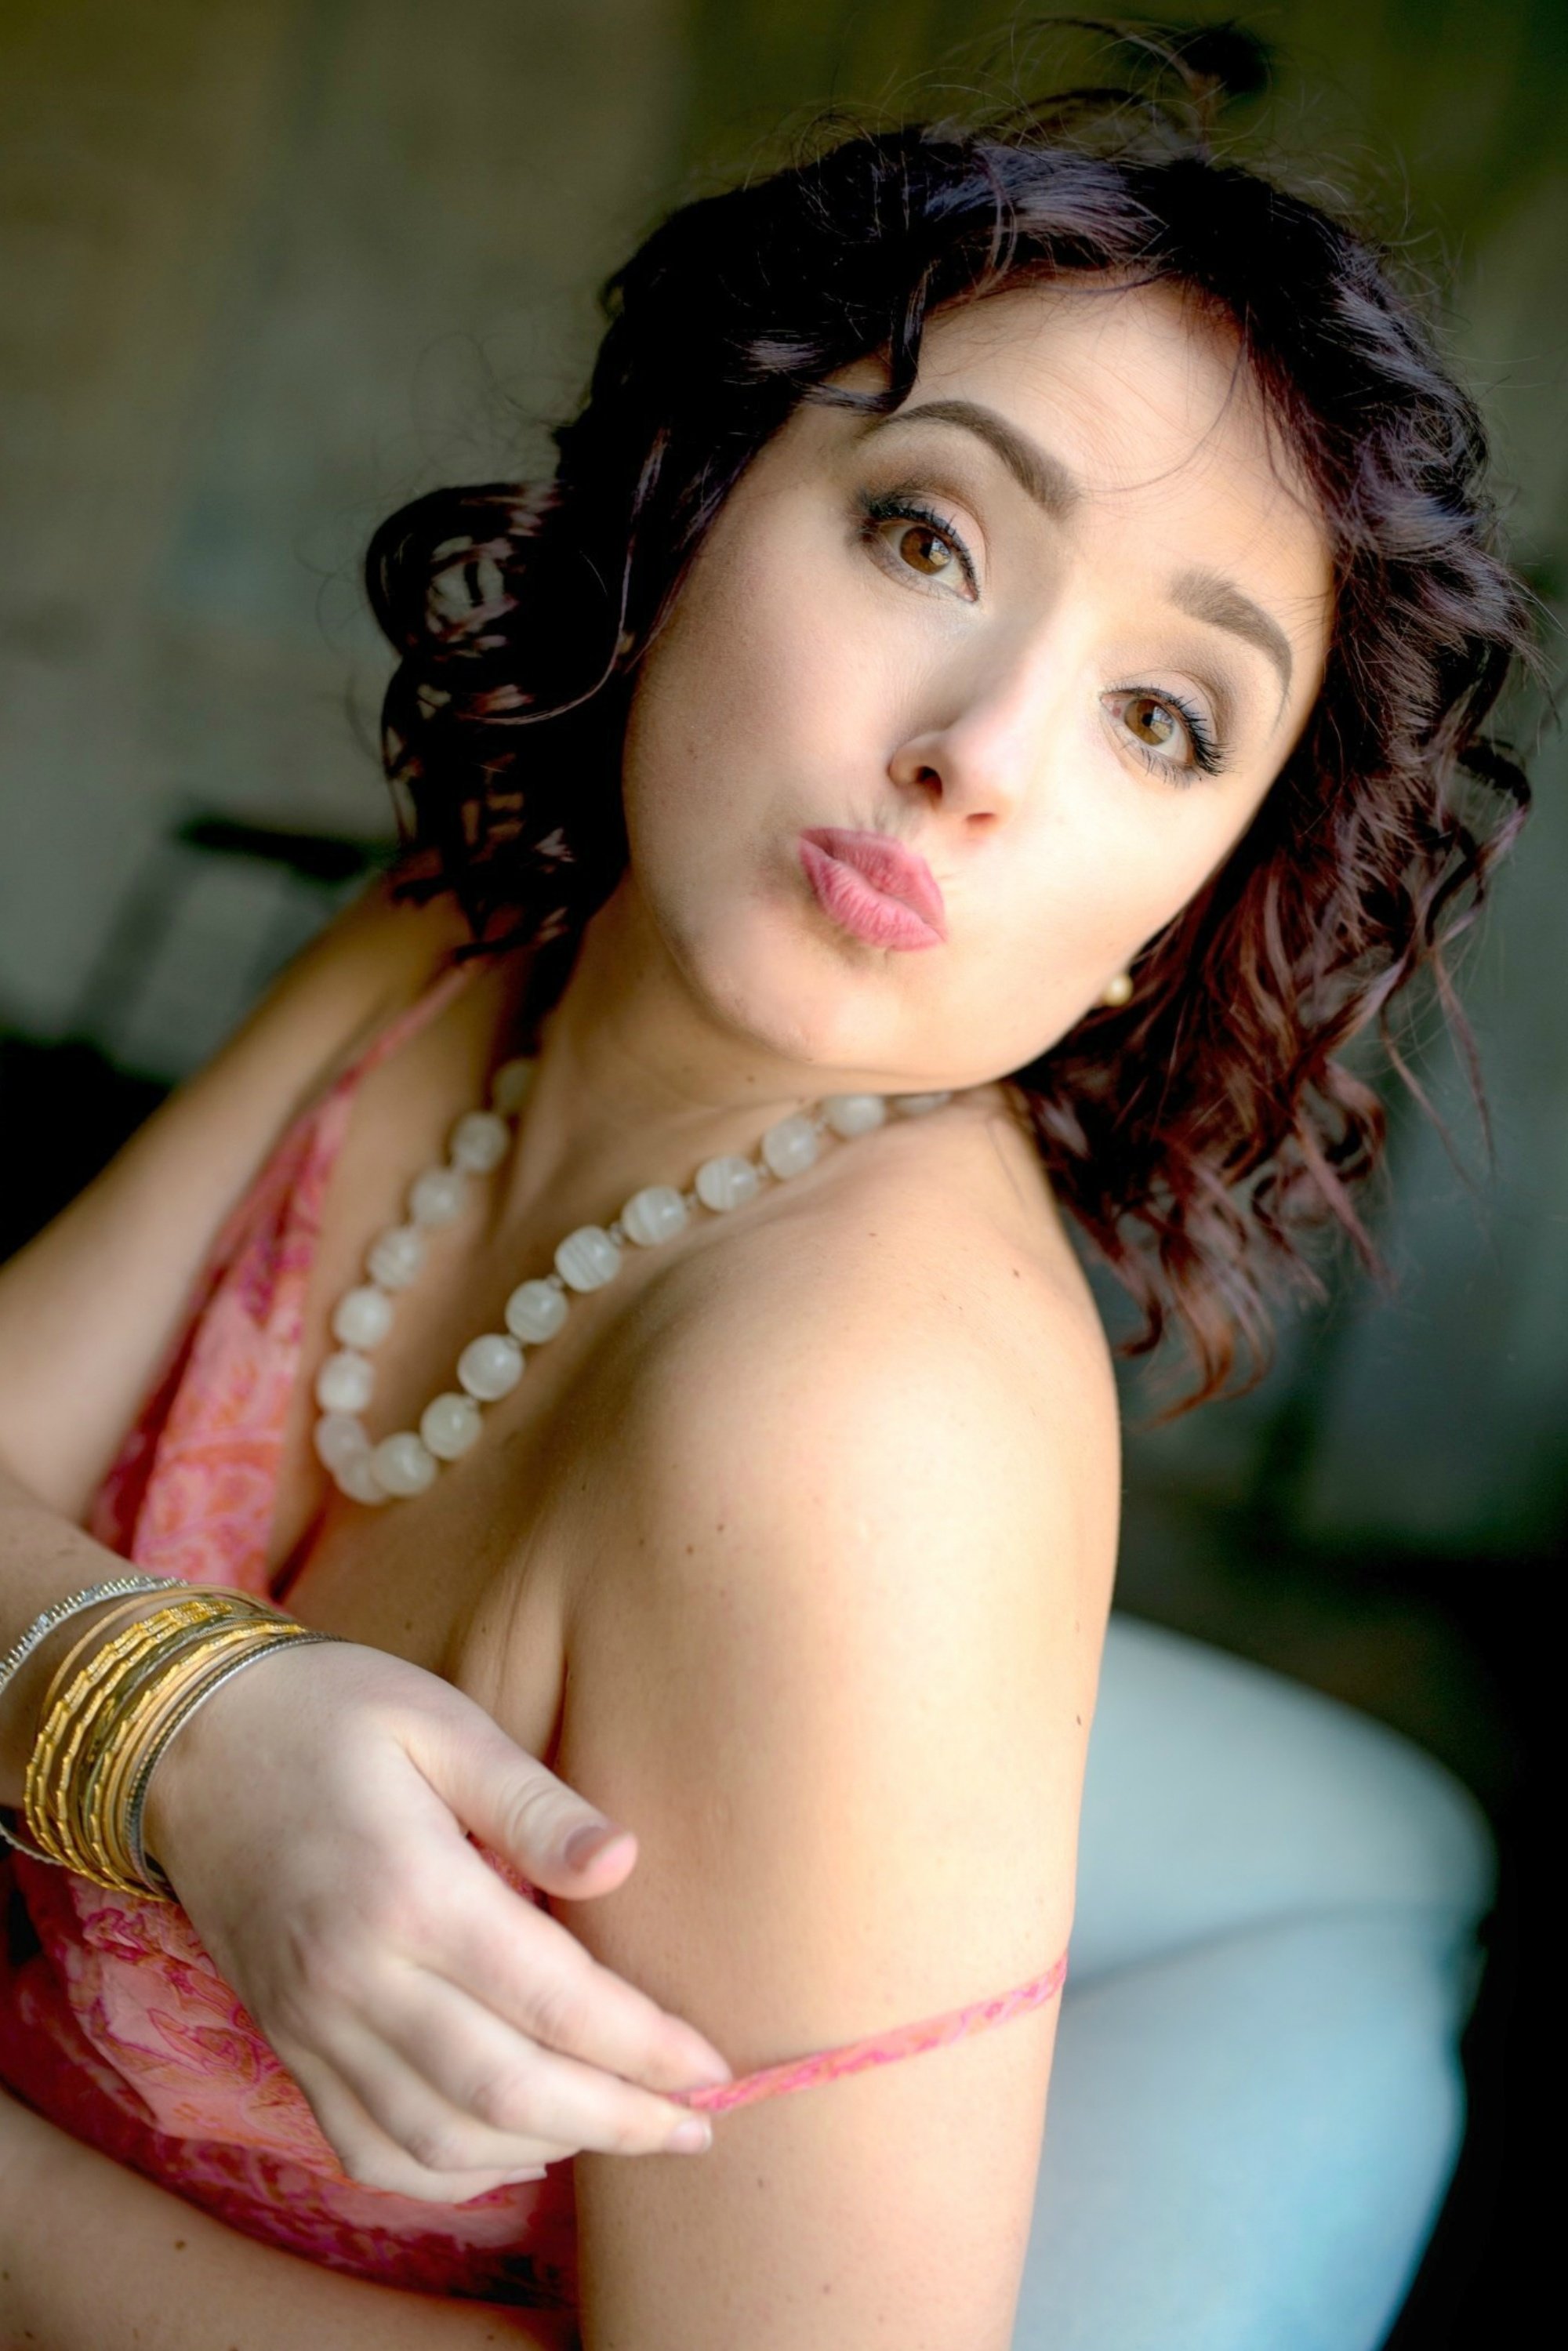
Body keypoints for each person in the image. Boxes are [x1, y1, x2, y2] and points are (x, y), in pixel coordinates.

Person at [0, 60, 1531, 2351]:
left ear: (1177, 918)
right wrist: (179, 1728)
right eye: (928, 535)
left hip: (933, 1667)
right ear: (687, 507)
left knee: (1376, 1893)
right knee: (1365, 1827)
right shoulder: (442, 954)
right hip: (846, 1684)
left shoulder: (871, 1430)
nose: (980, 757)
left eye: (1167, 720)